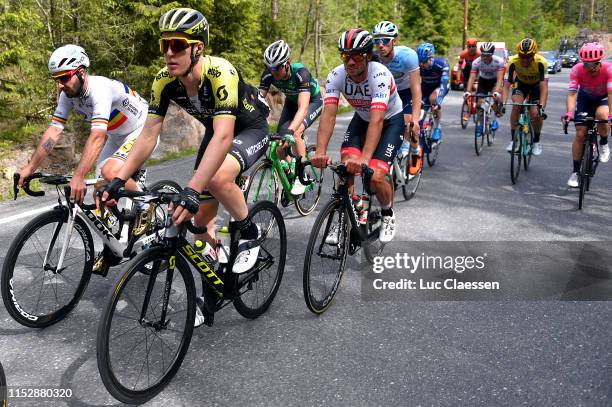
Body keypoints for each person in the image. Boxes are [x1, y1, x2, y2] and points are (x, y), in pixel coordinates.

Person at [97, 8, 270, 277]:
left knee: (216, 178)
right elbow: (148, 134)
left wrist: (191, 189)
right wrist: (119, 179)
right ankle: (215, 284)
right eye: (165, 45)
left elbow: (225, 135)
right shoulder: (164, 80)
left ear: (198, 48)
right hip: (217, 132)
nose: (169, 53)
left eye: (177, 46)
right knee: (200, 225)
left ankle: (250, 230)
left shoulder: (221, 71)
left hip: (249, 129)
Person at [18, 44, 150, 202]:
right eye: (57, 79)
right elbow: (53, 132)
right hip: (117, 136)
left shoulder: (100, 89)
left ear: (81, 72)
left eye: (64, 78)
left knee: (110, 173)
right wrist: (30, 168)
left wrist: (79, 176)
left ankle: (145, 205)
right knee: (100, 193)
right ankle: (125, 220)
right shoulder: (67, 96)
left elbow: (97, 137)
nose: (60, 84)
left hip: (143, 129)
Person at [311, 28, 404, 243]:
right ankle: (348, 213)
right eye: (345, 55)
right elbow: (329, 116)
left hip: (390, 121)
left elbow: (378, 120)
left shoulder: (379, 75)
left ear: (368, 56)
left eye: (356, 56)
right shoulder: (336, 75)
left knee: (375, 175)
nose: (350, 62)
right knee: (346, 165)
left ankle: (388, 213)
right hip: (362, 120)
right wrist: (321, 151)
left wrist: (365, 159)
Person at [259, 39, 323, 195]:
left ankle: (302, 175)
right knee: (280, 145)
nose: (273, 72)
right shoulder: (269, 74)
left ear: (287, 63)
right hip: (291, 103)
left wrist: (292, 130)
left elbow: (303, 107)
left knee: (294, 133)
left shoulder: (301, 74)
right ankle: (291, 175)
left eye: (276, 68)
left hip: (312, 102)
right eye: (269, 68)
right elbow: (258, 101)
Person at [371, 21, 421, 167]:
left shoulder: (408, 56)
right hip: (387, 94)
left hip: (406, 92)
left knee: (408, 122)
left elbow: (416, 90)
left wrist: (416, 120)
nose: (381, 44)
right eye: (377, 41)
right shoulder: (374, 58)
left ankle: (414, 148)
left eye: (385, 40)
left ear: (394, 41)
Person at [562, 42, 612, 187]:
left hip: (603, 98)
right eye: (586, 64)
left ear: (600, 61)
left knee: (602, 115)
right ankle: (575, 172)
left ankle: (603, 143)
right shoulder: (577, 69)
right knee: (580, 133)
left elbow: (610, 94)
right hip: (585, 99)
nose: (590, 68)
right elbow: (572, 93)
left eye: (594, 64)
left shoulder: (609, 69)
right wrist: (570, 112)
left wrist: (611, 116)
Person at [502, 38, 548, 155]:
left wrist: (541, 107)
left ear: (534, 55)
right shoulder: (513, 61)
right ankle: (513, 141)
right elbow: (506, 86)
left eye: (528, 57)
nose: (525, 59)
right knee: (516, 106)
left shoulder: (541, 63)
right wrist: (503, 103)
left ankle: (536, 142)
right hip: (521, 84)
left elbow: (544, 88)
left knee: (535, 113)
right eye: (522, 56)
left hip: (536, 86)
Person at [463, 42, 506, 136]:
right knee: (478, 104)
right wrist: (468, 91)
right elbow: (472, 77)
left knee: (496, 98)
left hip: (495, 81)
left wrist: (496, 92)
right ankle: (481, 124)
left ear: (492, 54)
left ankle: (496, 119)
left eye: (487, 55)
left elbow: (499, 79)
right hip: (483, 81)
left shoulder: (499, 61)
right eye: (483, 55)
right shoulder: (477, 62)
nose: (485, 57)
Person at [416, 43, 449, 145]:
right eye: (420, 62)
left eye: (424, 62)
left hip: (439, 88)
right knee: (419, 112)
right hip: (425, 88)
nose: (421, 65)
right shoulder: (417, 65)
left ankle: (437, 127)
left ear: (432, 58)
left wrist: (438, 102)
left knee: (433, 98)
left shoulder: (441, 64)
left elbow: (444, 84)